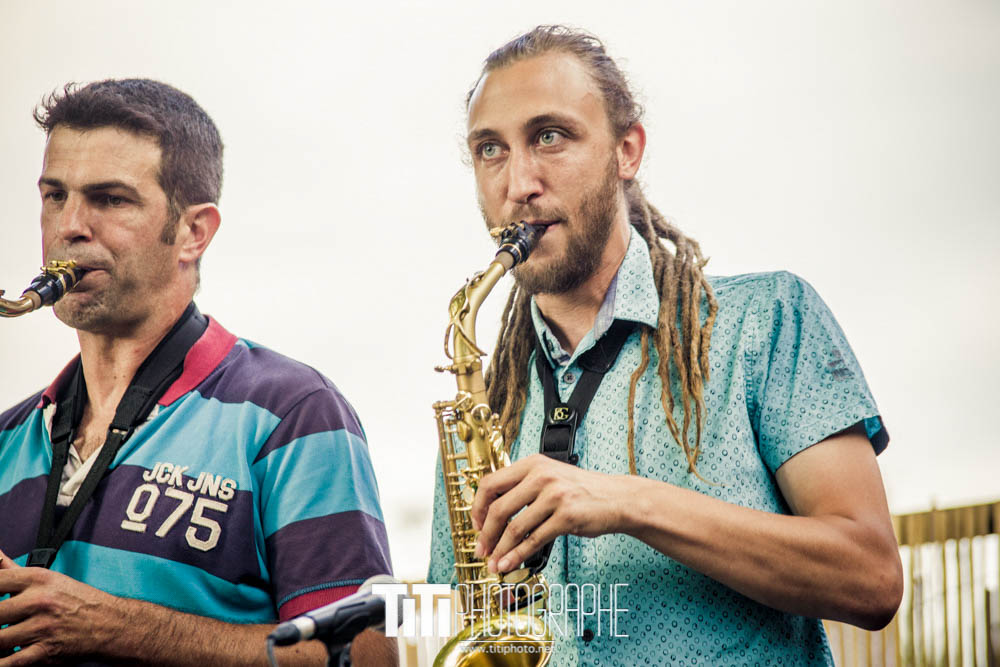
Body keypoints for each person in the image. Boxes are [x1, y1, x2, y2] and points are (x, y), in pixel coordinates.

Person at [427, 26, 903, 666]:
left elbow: (871, 578)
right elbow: (469, 623)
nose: (519, 183)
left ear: (626, 151)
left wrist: (628, 501)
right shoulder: (484, 407)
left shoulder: (766, 321)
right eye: (491, 149)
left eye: (550, 136)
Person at [0, 79, 395, 665]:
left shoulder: (293, 411)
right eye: (55, 195)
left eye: (110, 199)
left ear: (194, 232)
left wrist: (117, 628)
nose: (69, 226)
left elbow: (371, 652)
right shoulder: (7, 437)